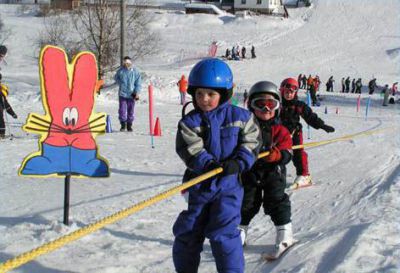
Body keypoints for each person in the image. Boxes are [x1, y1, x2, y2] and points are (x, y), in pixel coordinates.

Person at [173, 58, 261, 273]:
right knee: (188, 230)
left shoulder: (241, 117)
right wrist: (207, 164)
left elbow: (252, 141)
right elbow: (189, 148)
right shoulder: (190, 122)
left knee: (223, 232)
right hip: (200, 185)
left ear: (224, 93)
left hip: (229, 187)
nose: (204, 99)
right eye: (200, 93)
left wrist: (239, 162)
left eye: (211, 94)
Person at [238, 81, 295, 256]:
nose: (266, 109)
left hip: (273, 173)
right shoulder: (245, 129)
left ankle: (285, 232)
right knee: (246, 202)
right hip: (250, 173)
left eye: (271, 104)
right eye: (260, 104)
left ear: (277, 107)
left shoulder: (281, 130)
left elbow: (288, 152)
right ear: (251, 106)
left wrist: (279, 156)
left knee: (276, 201)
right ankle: (239, 231)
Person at [279, 78, 335, 187]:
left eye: (291, 92)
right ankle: (277, 174)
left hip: (295, 133)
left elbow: (310, 117)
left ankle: (304, 175)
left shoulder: (298, 105)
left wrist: (321, 125)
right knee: (278, 154)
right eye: (286, 92)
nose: (289, 95)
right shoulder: (277, 105)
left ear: (295, 93)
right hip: (280, 134)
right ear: (282, 91)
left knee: (298, 153)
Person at [114, 56, 142, 132]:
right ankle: (123, 125)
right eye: (125, 63)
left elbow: (138, 83)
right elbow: (116, 78)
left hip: (131, 94)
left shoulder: (135, 72)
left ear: (130, 63)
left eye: (128, 63)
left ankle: (129, 125)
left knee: (131, 110)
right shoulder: (121, 71)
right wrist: (121, 83)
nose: (126, 64)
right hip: (122, 94)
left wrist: (136, 92)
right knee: (122, 110)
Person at [0, 73, 17, 138]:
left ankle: (1, 134)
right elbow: (7, 106)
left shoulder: (2, 92)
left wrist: (13, 114)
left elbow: (7, 105)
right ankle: (1, 134)